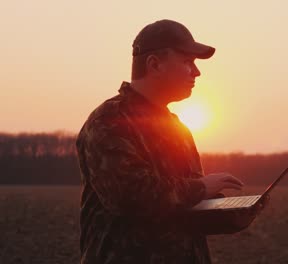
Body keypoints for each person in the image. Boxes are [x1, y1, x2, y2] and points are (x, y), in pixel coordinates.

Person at [76, 19, 266, 264]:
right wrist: (201, 188)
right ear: (154, 65)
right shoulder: (109, 121)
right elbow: (130, 197)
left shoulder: (177, 127)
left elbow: (180, 203)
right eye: (187, 62)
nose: (196, 72)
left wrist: (230, 211)